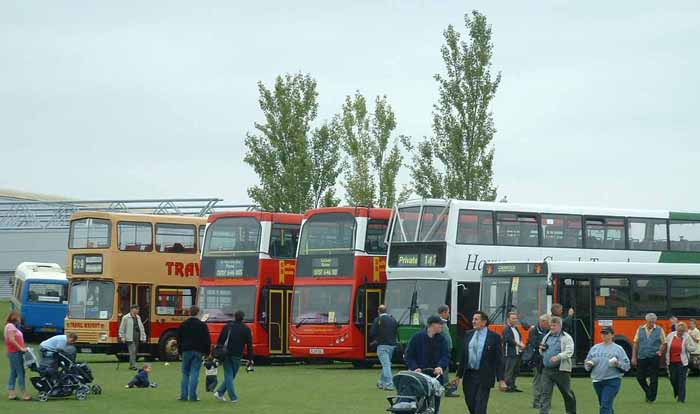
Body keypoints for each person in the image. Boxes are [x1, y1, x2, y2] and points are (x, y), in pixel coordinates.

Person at [452, 311, 507, 414]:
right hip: (469, 376)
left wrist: (501, 380)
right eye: (473, 319)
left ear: (484, 322)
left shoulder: (494, 337)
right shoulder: (469, 334)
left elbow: (499, 360)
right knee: (470, 402)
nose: (473, 321)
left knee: (480, 405)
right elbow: (464, 356)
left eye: (476, 319)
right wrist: (458, 376)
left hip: (484, 376)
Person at [405, 315, 449, 414]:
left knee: (435, 406)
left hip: (436, 378)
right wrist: (415, 368)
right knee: (419, 405)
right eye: (440, 324)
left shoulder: (442, 339)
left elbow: (445, 356)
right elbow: (409, 356)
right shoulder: (416, 337)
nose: (442, 326)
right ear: (432, 325)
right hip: (419, 378)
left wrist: (440, 366)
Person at [584, 326, 631, 414]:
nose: (604, 335)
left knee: (605, 405)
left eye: (606, 333)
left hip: (612, 380)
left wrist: (618, 364)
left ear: (612, 335)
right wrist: (589, 364)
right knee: (605, 404)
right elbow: (587, 363)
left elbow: (627, 366)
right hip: (597, 381)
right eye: (602, 333)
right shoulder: (595, 348)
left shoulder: (618, 349)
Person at [538, 316, 576, 414]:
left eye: (554, 326)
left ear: (560, 326)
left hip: (561, 370)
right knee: (545, 393)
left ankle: (571, 412)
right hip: (547, 370)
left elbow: (569, 352)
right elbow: (542, 347)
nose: (552, 328)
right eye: (551, 326)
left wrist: (558, 357)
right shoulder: (547, 336)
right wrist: (542, 350)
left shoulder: (566, 338)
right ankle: (543, 412)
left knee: (566, 393)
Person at [214, 310, 253, 403]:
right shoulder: (246, 329)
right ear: (243, 317)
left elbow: (220, 341)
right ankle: (233, 397)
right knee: (231, 375)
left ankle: (219, 392)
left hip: (225, 353)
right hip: (237, 354)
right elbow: (249, 345)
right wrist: (250, 359)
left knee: (229, 375)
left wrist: (218, 352)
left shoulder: (227, 326)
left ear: (234, 316)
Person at [177, 305, 211, 401]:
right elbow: (207, 340)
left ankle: (183, 396)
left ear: (189, 312)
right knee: (195, 373)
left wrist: (180, 351)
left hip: (186, 351)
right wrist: (207, 352)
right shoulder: (202, 325)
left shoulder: (183, 324)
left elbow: (178, 339)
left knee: (185, 374)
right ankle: (193, 396)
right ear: (198, 313)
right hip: (198, 351)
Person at [631, 312, 665, 403]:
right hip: (642, 356)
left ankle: (652, 398)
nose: (651, 323)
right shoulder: (640, 329)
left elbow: (663, 343)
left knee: (654, 378)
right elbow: (636, 343)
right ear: (646, 321)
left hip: (654, 356)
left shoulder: (659, 330)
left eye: (653, 322)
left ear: (655, 321)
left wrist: (660, 351)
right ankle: (648, 392)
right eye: (650, 322)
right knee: (640, 377)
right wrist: (634, 357)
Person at [665, 321, 697, 403]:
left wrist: (687, 347)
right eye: (679, 331)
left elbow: (693, 348)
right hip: (671, 361)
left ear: (684, 331)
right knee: (673, 379)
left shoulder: (687, 337)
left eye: (682, 331)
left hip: (683, 362)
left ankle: (681, 399)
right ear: (676, 330)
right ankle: (677, 392)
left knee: (681, 381)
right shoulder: (670, 335)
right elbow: (665, 345)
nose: (680, 333)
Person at [369, 304, 398, 391]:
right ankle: (381, 382)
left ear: (378, 311)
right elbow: (396, 331)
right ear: (386, 311)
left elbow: (372, 333)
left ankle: (389, 384)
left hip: (382, 345)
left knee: (386, 365)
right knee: (387, 364)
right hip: (392, 345)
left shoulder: (378, 320)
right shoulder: (393, 319)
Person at [4, 310, 30, 401]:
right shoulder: (10, 326)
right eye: (19, 316)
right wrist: (21, 348)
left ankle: (11, 393)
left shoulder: (12, 326)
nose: (20, 318)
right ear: (14, 317)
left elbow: (16, 339)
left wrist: (23, 347)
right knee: (20, 372)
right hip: (15, 352)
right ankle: (24, 394)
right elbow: (11, 340)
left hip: (15, 352)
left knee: (14, 372)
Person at [527, 314, 550, 409]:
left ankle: (543, 401)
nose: (550, 324)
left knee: (546, 382)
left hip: (547, 359)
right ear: (543, 322)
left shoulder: (549, 331)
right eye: (548, 322)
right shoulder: (533, 331)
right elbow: (534, 343)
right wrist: (543, 346)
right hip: (537, 360)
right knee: (538, 381)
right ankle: (536, 401)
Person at [437, 304, 458, 397]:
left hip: (444, 349)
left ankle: (444, 387)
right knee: (444, 368)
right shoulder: (439, 323)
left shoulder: (442, 323)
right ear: (444, 313)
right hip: (443, 350)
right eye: (448, 312)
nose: (448, 314)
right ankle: (446, 388)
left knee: (445, 368)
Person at [502, 311, 525, 393]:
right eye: (513, 318)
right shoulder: (506, 329)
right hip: (510, 353)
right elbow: (508, 339)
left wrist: (521, 344)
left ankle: (512, 385)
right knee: (509, 370)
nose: (515, 320)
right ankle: (507, 387)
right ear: (508, 319)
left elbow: (519, 338)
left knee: (515, 370)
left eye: (516, 318)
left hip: (517, 352)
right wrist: (519, 344)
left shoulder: (516, 328)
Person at [118, 304, 147, 370]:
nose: (137, 311)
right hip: (129, 336)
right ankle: (134, 365)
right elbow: (122, 328)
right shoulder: (126, 317)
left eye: (138, 309)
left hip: (137, 336)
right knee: (132, 351)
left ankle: (131, 365)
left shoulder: (138, 317)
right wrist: (122, 337)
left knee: (135, 351)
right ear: (132, 309)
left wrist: (143, 337)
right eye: (136, 309)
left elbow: (141, 328)